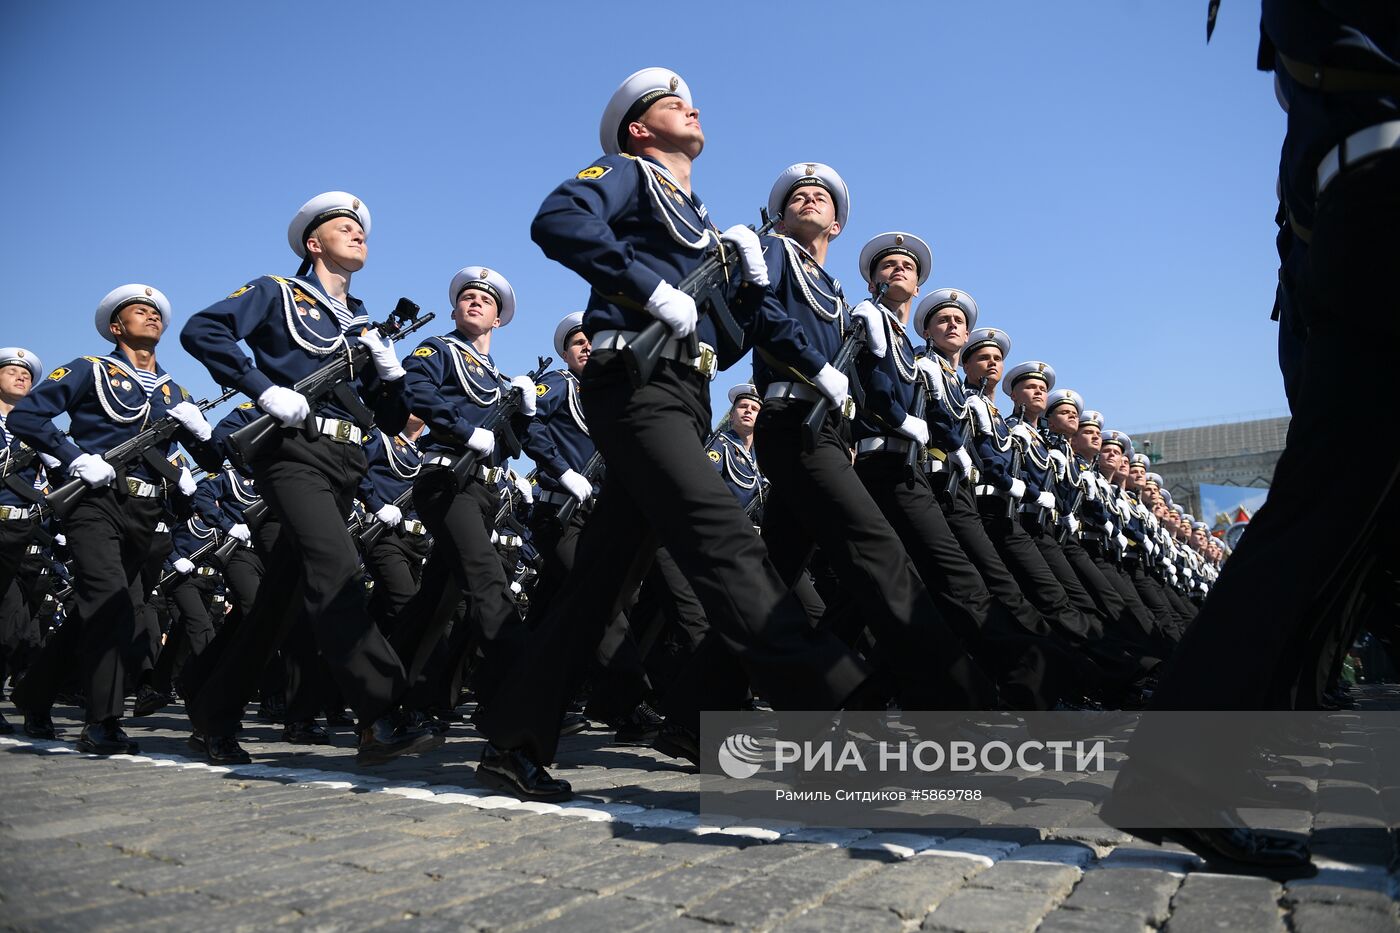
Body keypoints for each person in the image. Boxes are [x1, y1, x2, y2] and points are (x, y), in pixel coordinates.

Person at [474, 70, 875, 799]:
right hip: (633, 386)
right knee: (720, 532)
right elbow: (559, 219)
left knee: (598, 586)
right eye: (670, 102)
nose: (691, 106)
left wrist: (747, 290)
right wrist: (645, 285)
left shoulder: (702, 221)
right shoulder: (628, 175)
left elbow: (718, 344)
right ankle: (826, 707)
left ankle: (514, 740)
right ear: (639, 129)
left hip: (685, 392)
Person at [180, 191, 439, 765]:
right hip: (293, 450)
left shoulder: (364, 322)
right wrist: (262, 389)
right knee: (339, 570)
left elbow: (392, 418)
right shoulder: (278, 291)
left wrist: (391, 374)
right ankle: (383, 712)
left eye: (361, 228)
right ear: (314, 243)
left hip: (347, 461)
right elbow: (203, 330)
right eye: (344, 227)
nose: (358, 234)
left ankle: (212, 710)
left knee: (279, 603)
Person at [10, 285, 216, 754]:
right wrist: (72, 456)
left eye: (156, 312)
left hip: (144, 512)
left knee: (95, 610)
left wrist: (201, 434)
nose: (151, 316)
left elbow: (214, 456)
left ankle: (34, 693)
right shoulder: (90, 369)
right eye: (138, 312)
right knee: (114, 604)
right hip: (94, 502)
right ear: (116, 327)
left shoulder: (174, 392)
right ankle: (102, 720)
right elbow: (27, 418)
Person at [0, 347, 46, 734]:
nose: (21, 377)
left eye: (26, 375)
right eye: (12, 371)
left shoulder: (35, 430)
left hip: (20, 530)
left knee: (13, 623)